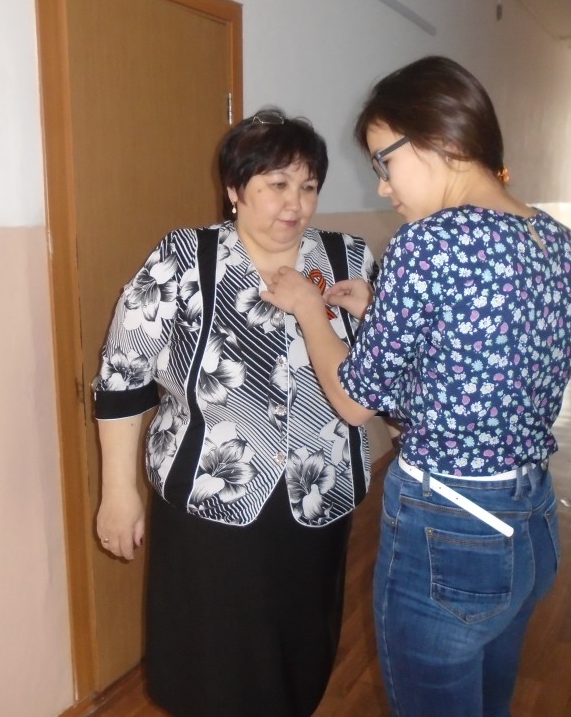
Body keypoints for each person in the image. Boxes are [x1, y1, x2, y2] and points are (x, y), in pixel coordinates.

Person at [261, 56, 571, 716]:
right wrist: (379, 315)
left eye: (385, 162)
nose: (385, 187)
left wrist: (307, 309)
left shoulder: (429, 243)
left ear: (441, 138)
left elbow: (353, 403)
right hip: (530, 520)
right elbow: (473, 380)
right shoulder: (561, 244)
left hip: (451, 528)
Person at [91, 108, 377, 717]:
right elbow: (122, 376)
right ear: (234, 189)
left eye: (308, 186)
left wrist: (368, 314)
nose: (295, 203)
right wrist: (117, 492)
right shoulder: (183, 258)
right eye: (277, 184)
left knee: (299, 649)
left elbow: (380, 372)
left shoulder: (347, 258)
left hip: (319, 491)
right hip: (209, 498)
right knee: (211, 658)